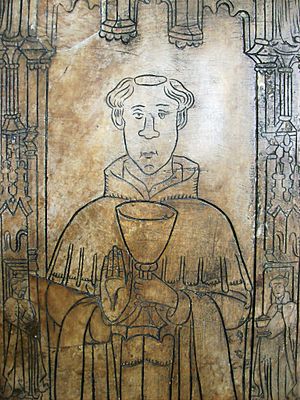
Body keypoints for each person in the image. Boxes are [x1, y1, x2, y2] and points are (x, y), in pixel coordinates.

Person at [46, 74, 252, 400]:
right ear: (120, 120)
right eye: (138, 115)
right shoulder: (90, 219)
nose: (149, 131)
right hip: (107, 381)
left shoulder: (211, 222)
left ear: (180, 119)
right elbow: (52, 302)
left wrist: (177, 302)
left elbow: (240, 308)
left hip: (185, 382)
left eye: (162, 114)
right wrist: (102, 314)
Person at [1, 276, 48, 399]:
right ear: (14, 289)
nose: (22, 291)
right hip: (17, 339)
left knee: (32, 362)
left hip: (31, 339)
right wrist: (26, 328)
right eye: (20, 289)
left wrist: (34, 328)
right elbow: (12, 318)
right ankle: (18, 388)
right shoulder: (10, 302)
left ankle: (31, 388)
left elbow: (34, 318)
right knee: (19, 362)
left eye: (24, 288)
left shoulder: (27, 302)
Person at [255, 275, 297, 400]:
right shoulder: (272, 306)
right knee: (269, 375)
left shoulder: (291, 306)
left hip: (282, 348)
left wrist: (269, 332)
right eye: (274, 287)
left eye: (279, 286)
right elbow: (267, 323)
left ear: (285, 287)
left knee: (280, 375)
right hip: (269, 350)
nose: (277, 289)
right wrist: (262, 330)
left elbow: (286, 325)